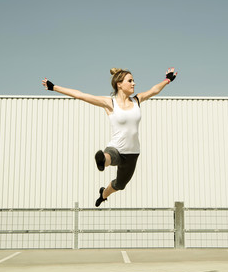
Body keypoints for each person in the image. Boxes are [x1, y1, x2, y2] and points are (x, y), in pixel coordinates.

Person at [42, 67, 177, 207]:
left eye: (133, 81)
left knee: (120, 185)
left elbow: (154, 90)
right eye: (130, 81)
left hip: (132, 153)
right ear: (119, 84)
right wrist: (54, 87)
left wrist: (167, 80)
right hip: (116, 148)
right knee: (109, 156)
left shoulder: (137, 100)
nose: (134, 84)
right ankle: (102, 160)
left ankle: (103, 194)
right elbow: (80, 95)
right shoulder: (110, 103)